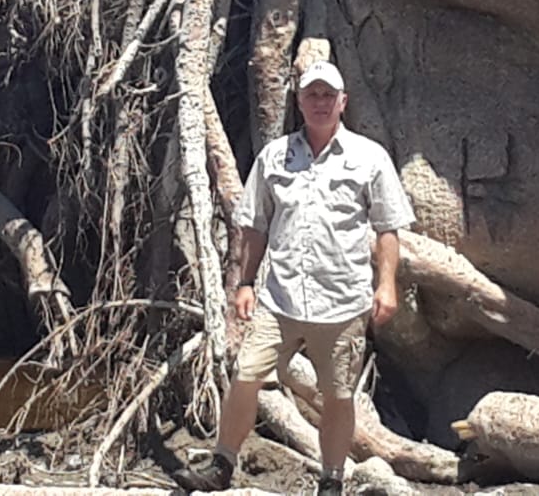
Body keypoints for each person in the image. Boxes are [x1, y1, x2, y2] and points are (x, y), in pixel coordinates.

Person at [175, 60, 415, 495]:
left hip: (342, 300)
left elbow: (387, 229)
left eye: (328, 95)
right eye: (311, 94)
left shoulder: (369, 157)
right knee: (245, 374)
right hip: (280, 298)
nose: (320, 102)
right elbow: (254, 225)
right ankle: (222, 465)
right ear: (299, 102)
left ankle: (332, 479)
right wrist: (245, 283)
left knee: (339, 394)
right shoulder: (274, 156)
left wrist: (387, 284)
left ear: (343, 102)